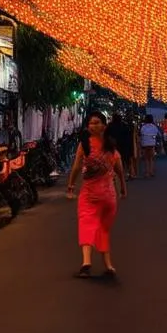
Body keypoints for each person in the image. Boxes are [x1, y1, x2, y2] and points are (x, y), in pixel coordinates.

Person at [66, 111, 127, 277]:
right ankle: (100, 264)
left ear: (104, 126)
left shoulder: (89, 145)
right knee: (100, 229)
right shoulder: (103, 145)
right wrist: (122, 187)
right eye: (91, 123)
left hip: (99, 195)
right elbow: (119, 169)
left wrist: (71, 186)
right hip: (102, 195)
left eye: (97, 122)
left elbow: (78, 167)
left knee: (89, 224)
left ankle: (93, 263)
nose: (93, 126)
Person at [109, 111, 135, 180]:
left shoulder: (110, 126)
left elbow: (107, 136)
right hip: (124, 146)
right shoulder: (124, 125)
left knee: (113, 161)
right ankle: (128, 174)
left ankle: (115, 175)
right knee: (125, 160)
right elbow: (128, 137)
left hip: (114, 146)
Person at [139, 113, 161, 177]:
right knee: (151, 158)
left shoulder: (143, 127)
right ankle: (151, 172)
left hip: (144, 144)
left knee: (146, 159)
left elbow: (141, 134)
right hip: (152, 144)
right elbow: (158, 134)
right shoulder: (154, 127)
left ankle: (147, 172)